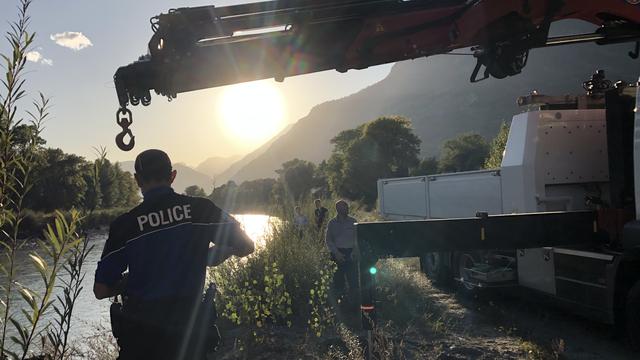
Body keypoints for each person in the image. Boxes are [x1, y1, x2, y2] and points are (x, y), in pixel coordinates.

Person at [93, 149, 254, 360]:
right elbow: (246, 246)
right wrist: (207, 256)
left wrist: (129, 281)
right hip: (190, 337)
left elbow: (101, 289)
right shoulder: (201, 210)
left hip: (141, 341)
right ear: (172, 176)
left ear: (137, 180)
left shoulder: (125, 225)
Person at [325, 200, 358, 302]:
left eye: (347, 207)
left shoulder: (353, 221)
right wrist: (336, 253)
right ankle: (341, 302)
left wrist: (354, 251)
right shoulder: (332, 223)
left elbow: (357, 238)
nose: (347, 209)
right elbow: (328, 240)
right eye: (345, 207)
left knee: (353, 279)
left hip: (351, 254)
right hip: (337, 254)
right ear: (338, 209)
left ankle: (354, 303)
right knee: (338, 280)